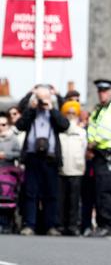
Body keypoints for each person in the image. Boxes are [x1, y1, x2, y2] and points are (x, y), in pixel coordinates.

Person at [16, 86, 70, 236]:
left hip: (51, 158)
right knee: (30, 193)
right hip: (33, 157)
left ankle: (51, 225)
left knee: (51, 194)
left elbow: (65, 125)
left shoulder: (53, 113)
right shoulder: (32, 113)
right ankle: (30, 225)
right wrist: (31, 103)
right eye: (40, 99)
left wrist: (52, 107)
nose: (42, 102)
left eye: (44, 99)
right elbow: (19, 125)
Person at [87, 79, 111, 237]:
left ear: (110, 92)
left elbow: (105, 131)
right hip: (98, 153)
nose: (102, 94)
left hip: (106, 152)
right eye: (100, 92)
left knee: (105, 191)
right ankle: (102, 224)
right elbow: (91, 128)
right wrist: (90, 142)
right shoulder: (98, 110)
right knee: (98, 190)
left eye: (105, 91)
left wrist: (93, 143)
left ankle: (107, 225)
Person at [58, 100, 87, 236]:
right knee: (62, 200)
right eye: (68, 112)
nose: (70, 115)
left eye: (73, 112)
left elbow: (84, 149)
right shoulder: (59, 132)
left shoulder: (81, 132)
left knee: (74, 201)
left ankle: (73, 225)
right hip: (62, 169)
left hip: (76, 169)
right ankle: (62, 225)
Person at [0, 112, 22, 233]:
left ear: (8, 125)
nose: (1, 127)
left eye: (3, 124)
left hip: (8, 173)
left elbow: (18, 154)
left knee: (7, 199)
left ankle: (6, 223)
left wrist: (6, 155)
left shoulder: (13, 139)